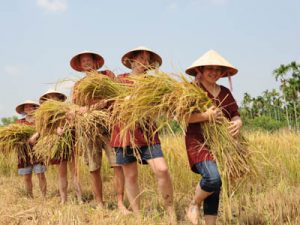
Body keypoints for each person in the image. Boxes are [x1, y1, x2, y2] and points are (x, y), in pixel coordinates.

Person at [111, 46, 177, 223]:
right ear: (132, 61)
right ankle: (139, 217)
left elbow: (160, 108)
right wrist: (124, 101)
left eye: (147, 60)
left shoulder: (153, 84)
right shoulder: (119, 81)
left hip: (147, 133)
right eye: (140, 58)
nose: (144, 62)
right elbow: (110, 105)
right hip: (123, 134)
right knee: (131, 176)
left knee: (162, 170)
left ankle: (171, 213)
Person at [184, 50, 242, 225]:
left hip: (221, 145)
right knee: (213, 178)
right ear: (200, 70)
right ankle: (194, 204)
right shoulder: (192, 90)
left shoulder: (224, 92)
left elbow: (235, 114)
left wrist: (238, 122)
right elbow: (184, 117)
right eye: (210, 68)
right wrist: (205, 116)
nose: (214, 72)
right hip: (198, 142)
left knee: (216, 185)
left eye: (218, 69)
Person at [70, 51, 129, 213]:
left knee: (117, 164)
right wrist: (90, 108)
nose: (87, 62)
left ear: (96, 63)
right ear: (80, 66)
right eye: (84, 61)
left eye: (89, 60)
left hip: (110, 126)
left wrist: (102, 104)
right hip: (89, 129)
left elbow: (119, 96)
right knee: (93, 168)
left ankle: (120, 203)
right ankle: (99, 203)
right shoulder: (78, 86)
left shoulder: (108, 76)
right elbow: (75, 109)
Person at [39, 89, 82, 204]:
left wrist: (70, 124)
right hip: (57, 144)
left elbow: (76, 122)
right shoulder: (45, 114)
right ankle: (63, 199)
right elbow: (43, 130)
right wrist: (55, 130)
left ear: (59, 98)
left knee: (75, 172)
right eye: (50, 96)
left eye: (55, 96)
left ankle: (80, 198)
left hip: (71, 141)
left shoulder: (67, 109)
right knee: (62, 173)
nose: (52, 98)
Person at [15, 100, 47, 198]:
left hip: (37, 151)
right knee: (27, 176)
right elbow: (16, 136)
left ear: (34, 108)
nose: (28, 108)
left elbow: (44, 131)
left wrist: (36, 136)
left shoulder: (39, 121)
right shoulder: (20, 122)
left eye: (30, 106)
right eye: (26, 107)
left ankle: (43, 197)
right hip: (24, 153)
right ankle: (30, 197)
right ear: (24, 110)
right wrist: (24, 141)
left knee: (40, 174)